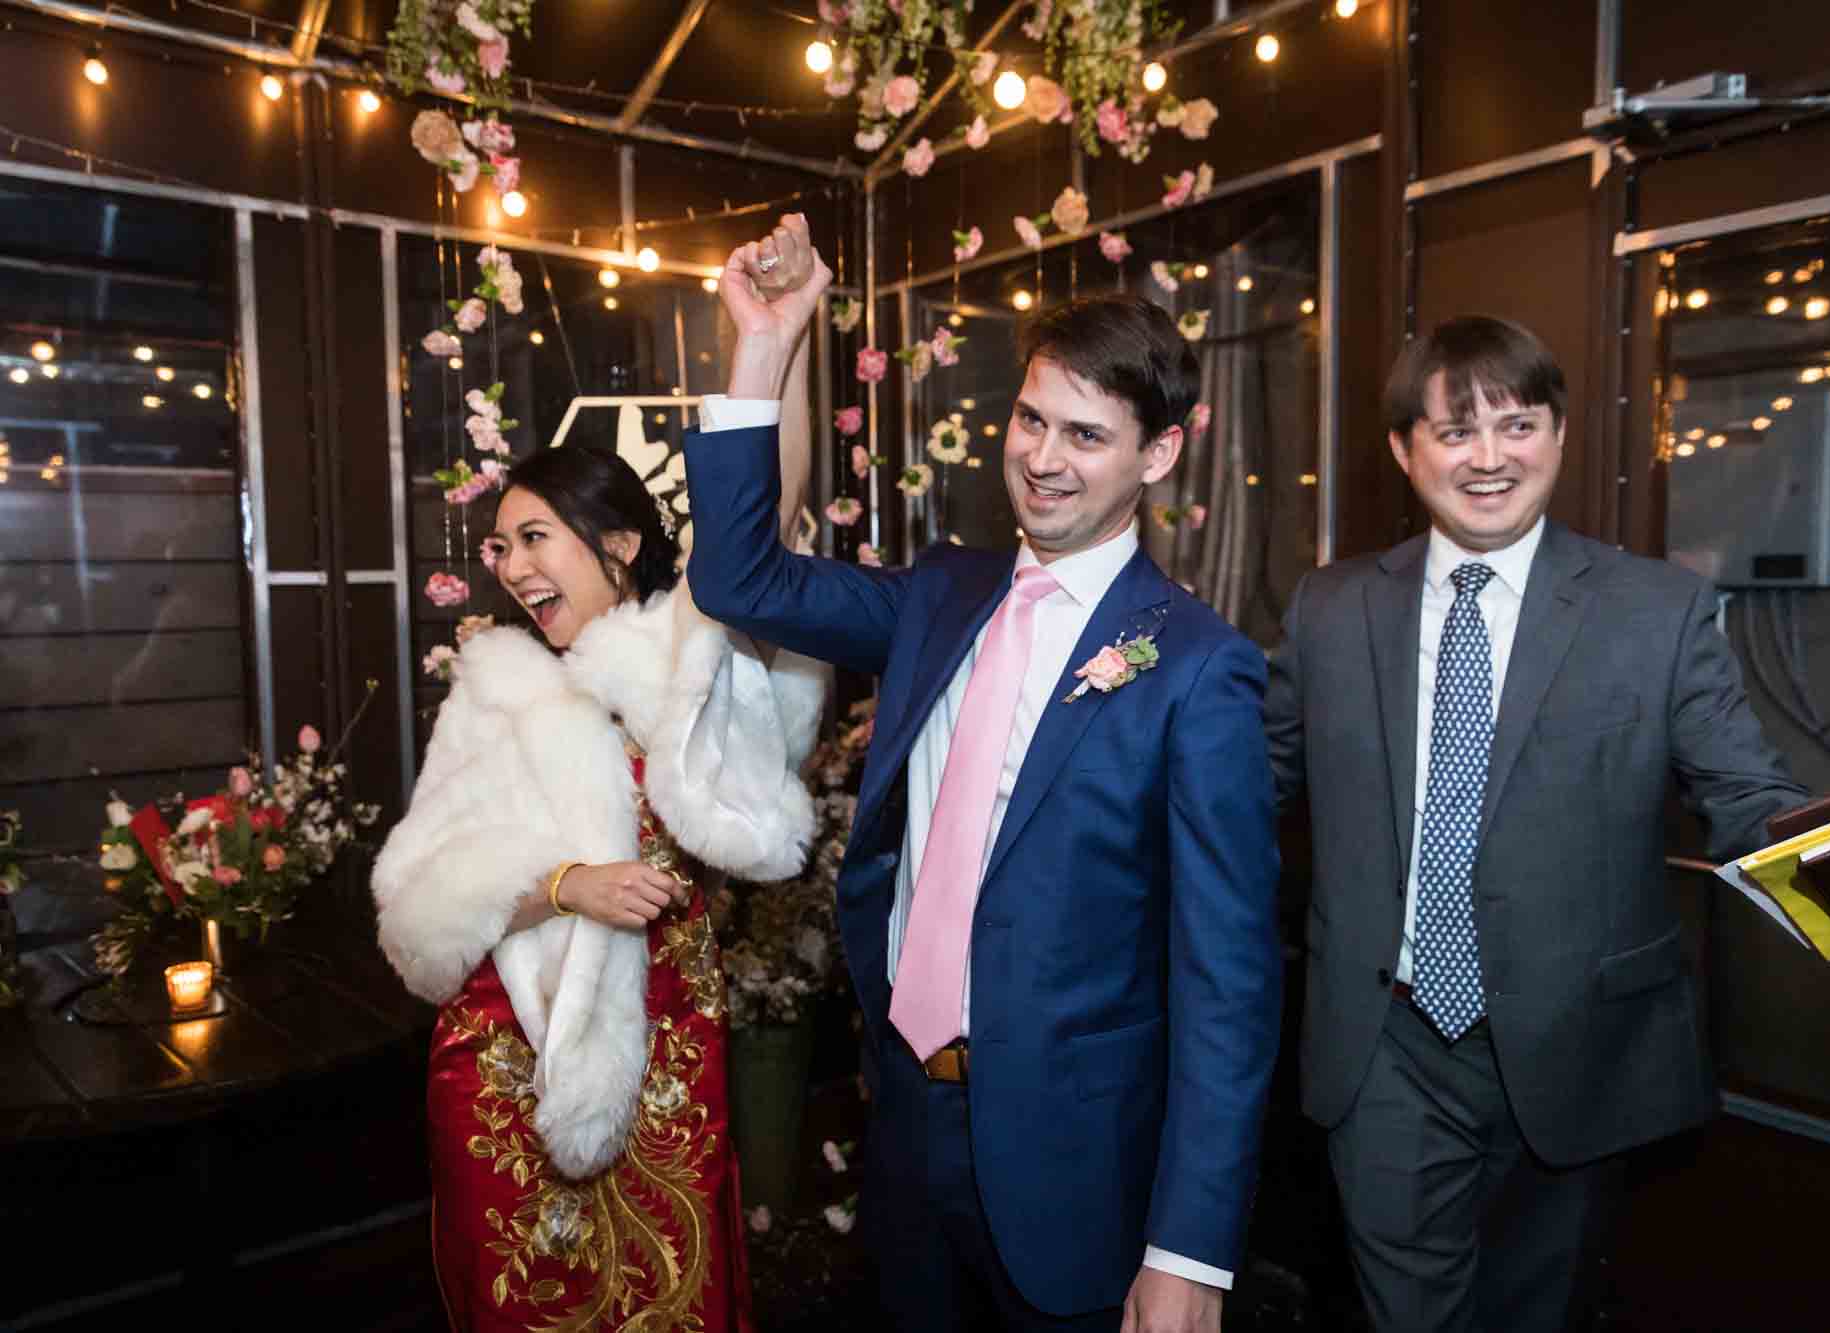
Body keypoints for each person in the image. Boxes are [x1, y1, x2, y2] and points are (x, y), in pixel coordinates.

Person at [1265, 314, 1830, 1333]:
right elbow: (1244, 793)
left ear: (1559, 436)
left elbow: (1748, 802)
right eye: (1452, 432)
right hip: (1382, 1050)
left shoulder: (1655, 612)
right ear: (1402, 449)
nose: (1487, 459)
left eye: (1514, 426)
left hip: (1580, 1050)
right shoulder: (1327, 610)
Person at [682, 216, 1281, 1333]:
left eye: (1086, 436)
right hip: (902, 1123)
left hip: (1074, 1168)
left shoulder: (1197, 669)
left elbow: (1227, 986)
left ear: (1156, 454)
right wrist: (765, 346)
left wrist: (1188, 1248)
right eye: (1030, 420)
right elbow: (739, 577)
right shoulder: (939, 596)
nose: (1043, 459)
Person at [372, 362, 827, 1327]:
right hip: (512, 1066)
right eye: (501, 544)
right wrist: (566, 884)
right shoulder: (497, 690)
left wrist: (776, 339)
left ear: (617, 543)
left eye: (536, 536)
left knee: (675, 1297)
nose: (510, 563)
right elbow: (415, 904)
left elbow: (774, 515)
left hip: (673, 1050)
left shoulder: (691, 663)